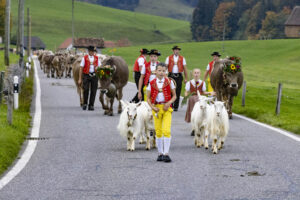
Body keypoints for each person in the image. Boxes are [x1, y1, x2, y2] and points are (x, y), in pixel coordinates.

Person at [147, 63, 176, 163]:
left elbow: (174, 96)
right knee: (158, 131)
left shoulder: (169, 82)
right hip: (157, 109)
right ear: (155, 71)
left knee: (166, 130)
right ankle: (160, 153)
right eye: (159, 70)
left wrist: (169, 103)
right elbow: (148, 98)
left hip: (166, 108)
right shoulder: (151, 83)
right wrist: (152, 107)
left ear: (166, 72)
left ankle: (166, 153)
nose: (161, 73)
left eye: (163, 71)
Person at [185, 68, 215, 136]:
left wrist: (210, 93)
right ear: (193, 74)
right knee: (193, 113)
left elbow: (203, 92)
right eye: (195, 73)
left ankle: (201, 126)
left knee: (201, 112)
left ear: (200, 74)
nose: (196, 74)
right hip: (192, 99)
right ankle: (193, 128)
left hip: (200, 99)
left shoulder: (202, 83)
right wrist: (187, 96)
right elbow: (186, 91)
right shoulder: (189, 83)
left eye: (198, 73)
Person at [165, 45, 188, 111]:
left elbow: (185, 68)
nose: (176, 51)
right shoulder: (168, 58)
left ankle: (176, 106)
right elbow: (165, 67)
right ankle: (170, 104)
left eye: (178, 50)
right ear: (173, 51)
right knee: (170, 90)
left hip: (179, 75)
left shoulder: (182, 58)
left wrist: (186, 78)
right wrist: (165, 76)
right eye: (175, 50)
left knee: (178, 91)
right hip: (171, 75)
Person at [78, 46, 101, 111]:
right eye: (91, 51)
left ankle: (91, 105)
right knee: (86, 89)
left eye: (93, 51)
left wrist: (99, 73)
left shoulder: (97, 58)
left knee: (94, 90)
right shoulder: (84, 58)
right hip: (86, 75)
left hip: (94, 75)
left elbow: (100, 67)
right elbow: (81, 68)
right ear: (89, 51)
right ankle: (85, 103)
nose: (93, 53)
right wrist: (79, 79)